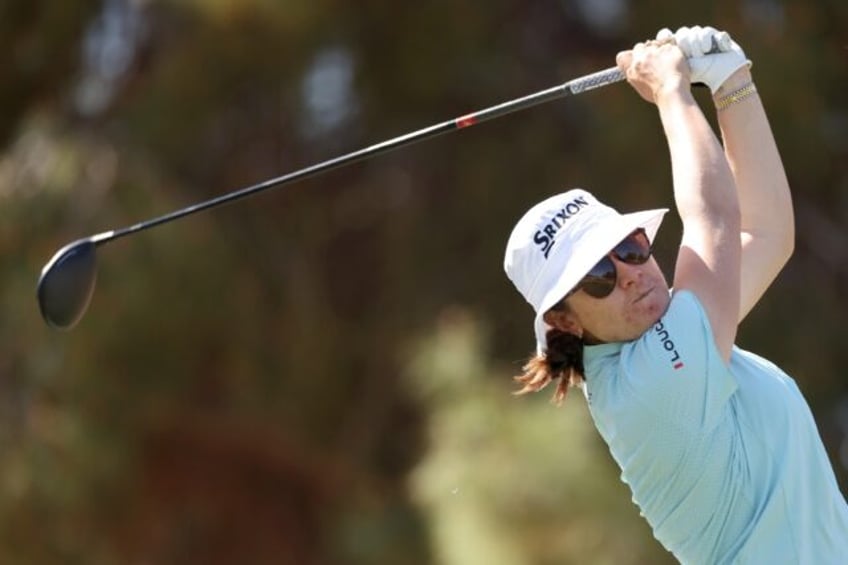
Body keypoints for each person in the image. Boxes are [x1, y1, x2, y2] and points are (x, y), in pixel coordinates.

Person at [502, 25, 848, 563]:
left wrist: (732, 80)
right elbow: (715, 216)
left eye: (631, 248)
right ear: (566, 322)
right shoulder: (650, 385)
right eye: (598, 275)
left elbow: (767, 234)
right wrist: (671, 92)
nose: (631, 273)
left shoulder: (678, 339)